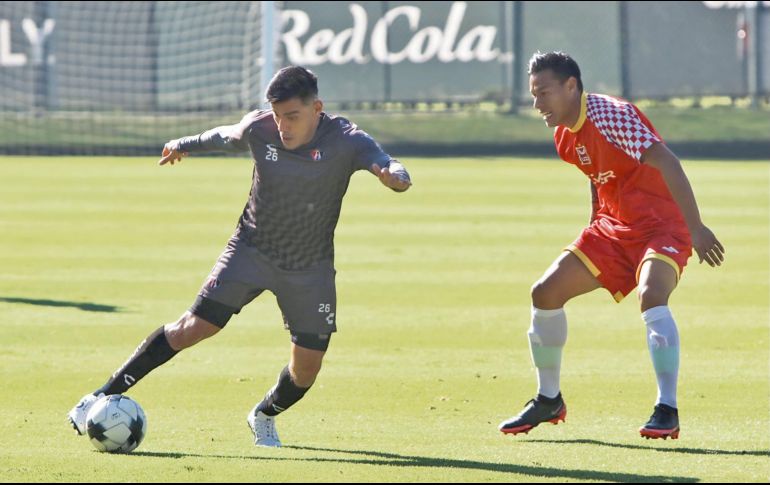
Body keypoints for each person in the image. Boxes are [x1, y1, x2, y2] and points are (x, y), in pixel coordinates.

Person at [67, 66, 412, 447]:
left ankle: (263, 414)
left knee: (306, 370)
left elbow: (385, 161)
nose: (283, 125)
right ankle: (97, 397)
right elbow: (225, 135)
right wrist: (184, 142)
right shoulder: (260, 128)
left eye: (292, 116)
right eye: (278, 116)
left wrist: (395, 176)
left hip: (309, 270)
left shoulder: (347, 139)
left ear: (317, 108)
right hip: (250, 251)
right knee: (192, 327)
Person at [498, 52, 724, 440]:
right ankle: (549, 399)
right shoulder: (563, 134)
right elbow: (597, 175)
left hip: (662, 226)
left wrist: (696, 227)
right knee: (545, 293)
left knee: (652, 295)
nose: (537, 104)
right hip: (613, 228)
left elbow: (667, 162)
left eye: (544, 93)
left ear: (572, 86)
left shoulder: (610, 115)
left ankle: (666, 408)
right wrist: (593, 223)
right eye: (533, 95)